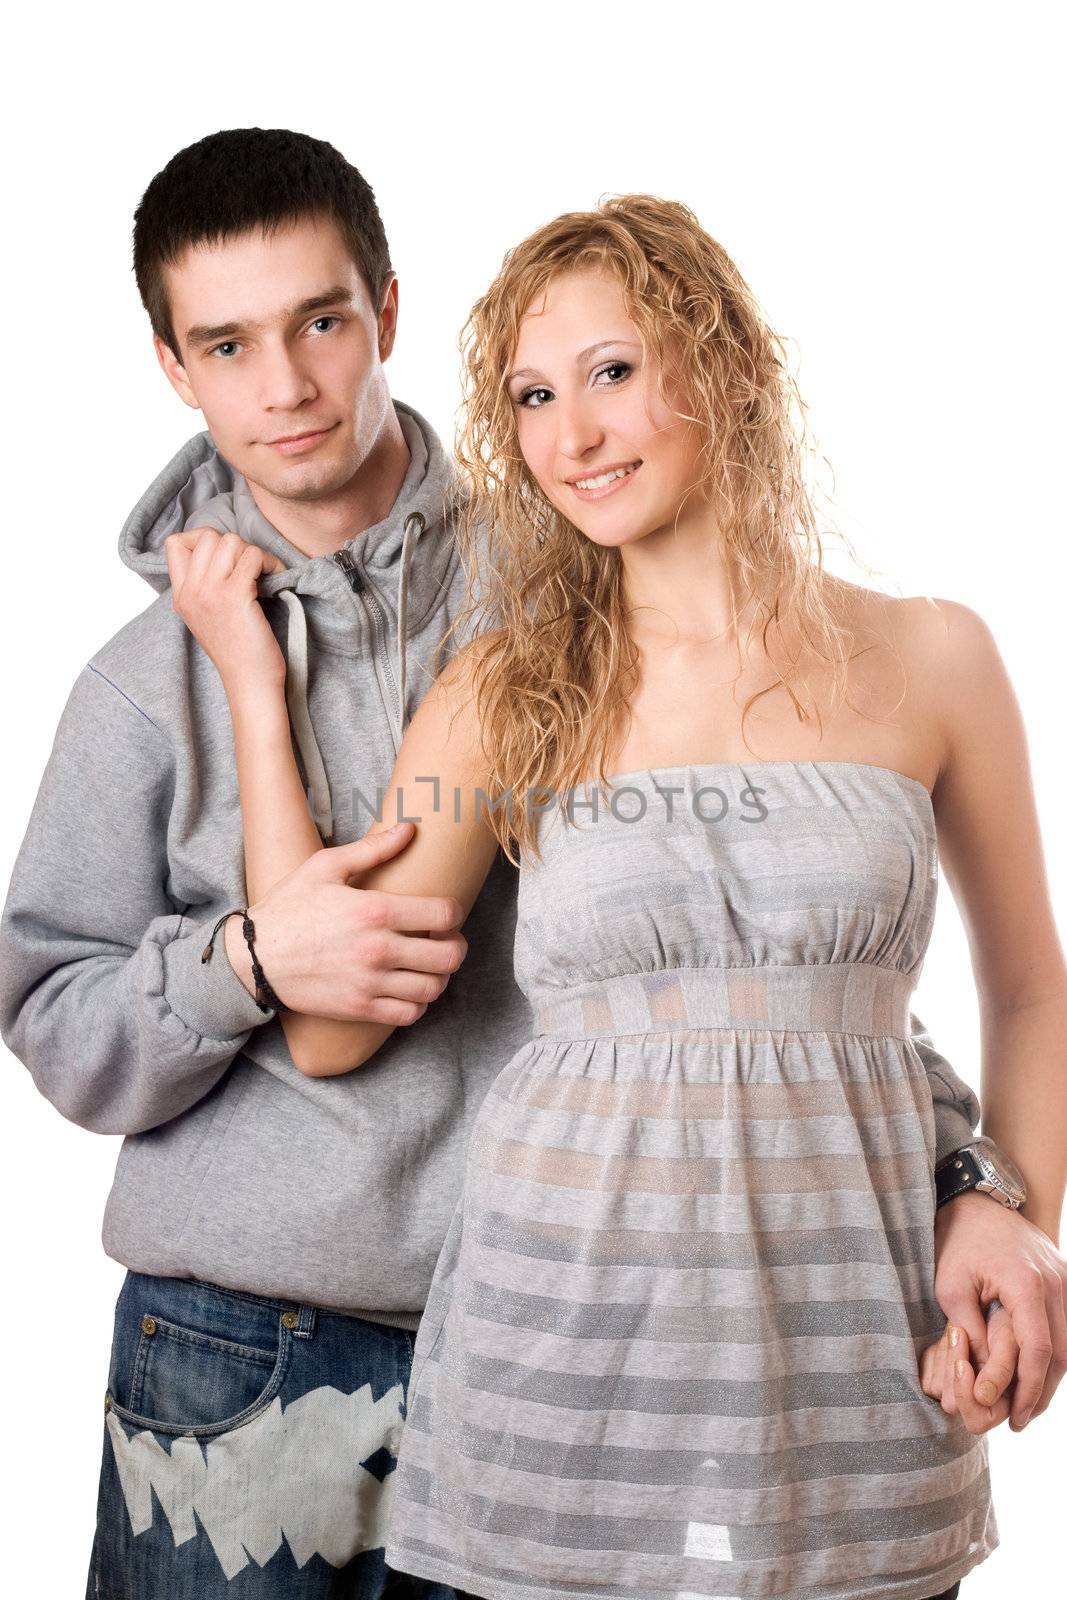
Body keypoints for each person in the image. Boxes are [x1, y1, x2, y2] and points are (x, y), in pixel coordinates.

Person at [0, 140, 1048, 1596]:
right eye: (228, 344)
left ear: (386, 311)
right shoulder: (282, 682)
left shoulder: (568, 590)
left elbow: (815, 982)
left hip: (648, 1336)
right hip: (264, 1336)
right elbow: (221, 1006)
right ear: (174, 366)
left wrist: (982, 1183)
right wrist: (248, 793)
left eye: (319, 322)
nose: (288, 384)